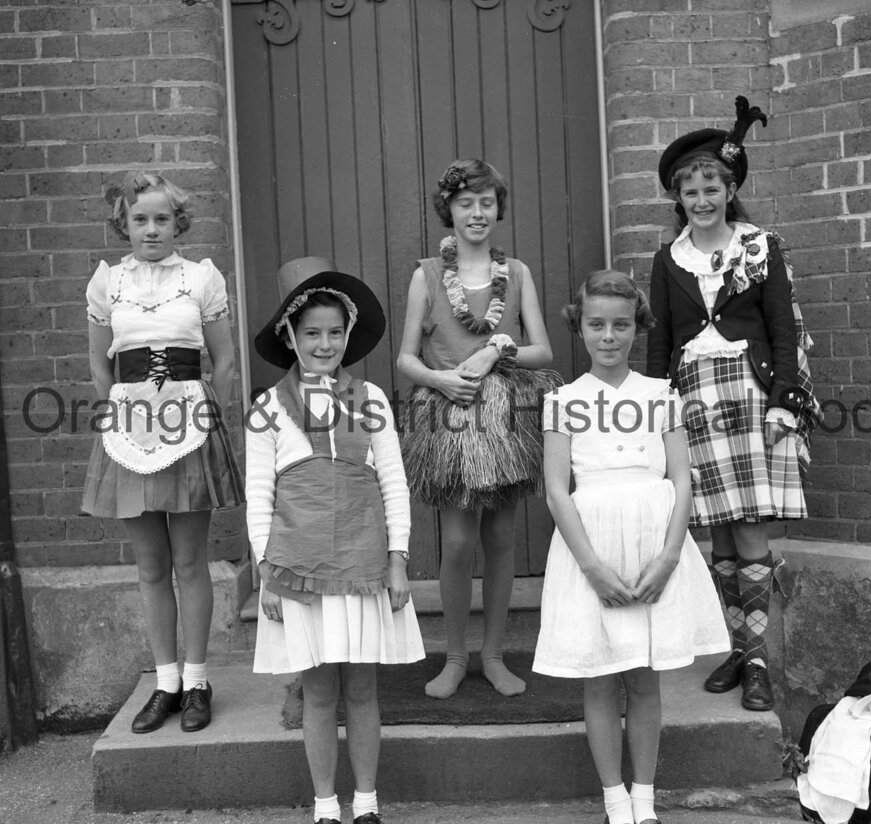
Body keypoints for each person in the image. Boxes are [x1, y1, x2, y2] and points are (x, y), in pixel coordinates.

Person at [533, 270, 730, 824]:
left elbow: (683, 480)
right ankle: (614, 799)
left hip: (652, 542)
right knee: (600, 678)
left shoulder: (661, 395)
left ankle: (644, 798)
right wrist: (591, 567)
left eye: (621, 325)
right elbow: (555, 489)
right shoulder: (563, 401)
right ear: (580, 328)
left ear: (637, 328)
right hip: (591, 546)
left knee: (644, 679)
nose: (609, 336)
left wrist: (669, 556)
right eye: (596, 325)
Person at [646, 96, 818, 712]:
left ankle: (759, 664)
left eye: (711, 187)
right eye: (689, 191)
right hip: (693, 397)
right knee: (715, 535)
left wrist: (783, 405)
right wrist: (657, 415)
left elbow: (782, 330)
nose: (701, 199)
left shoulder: (761, 247)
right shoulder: (668, 260)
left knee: (748, 531)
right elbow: (661, 339)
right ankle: (740, 649)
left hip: (750, 396)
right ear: (678, 198)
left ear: (729, 187)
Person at [247, 257, 424, 824]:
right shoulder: (268, 408)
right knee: (319, 692)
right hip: (299, 570)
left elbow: (393, 481)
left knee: (363, 690)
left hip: (364, 563)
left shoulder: (368, 398)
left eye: (334, 333)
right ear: (291, 338)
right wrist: (266, 573)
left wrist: (398, 561)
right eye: (311, 333)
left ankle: (366, 802)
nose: (324, 344)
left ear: (347, 336)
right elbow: (259, 498)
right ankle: (326, 805)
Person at [82, 171, 243, 734]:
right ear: (122, 224)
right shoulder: (108, 284)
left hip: (189, 422)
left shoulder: (200, 280)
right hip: (130, 425)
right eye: (139, 219)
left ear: (179, 223)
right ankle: (166, 681)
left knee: (190, 560)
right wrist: (115, 417)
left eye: (161, 218)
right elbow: (101, 362)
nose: (151, 228)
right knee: (151, 565)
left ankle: (197, 680)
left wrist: (208, 416)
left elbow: (223, 360)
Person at [397, 159, 560, 699]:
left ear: (498, 209)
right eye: (466, 203)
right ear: (449, 208)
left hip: (505, 418)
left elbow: (542, 350)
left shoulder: (516, 273)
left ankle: (493, 655)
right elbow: (405, 359)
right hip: (448, 415)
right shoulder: (425, 275)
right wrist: (440, 379)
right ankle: (455, 656)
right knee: (460, 538)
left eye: (487, 203)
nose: (477, 213)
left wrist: (495, 349)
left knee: (499, 535)